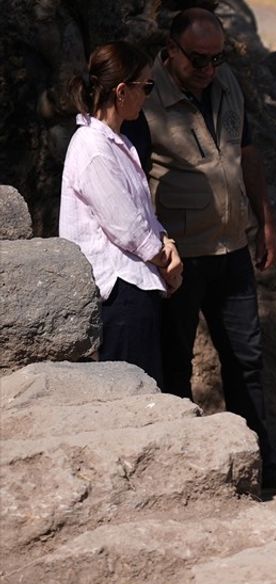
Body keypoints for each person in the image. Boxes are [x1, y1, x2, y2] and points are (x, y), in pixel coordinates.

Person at [124, 9, 276, 496]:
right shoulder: (146, 99)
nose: (209, 68)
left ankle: (262, 465)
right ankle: (187, 472)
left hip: (232, 244)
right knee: (174, 363)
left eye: (218, 57)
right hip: (179, 253)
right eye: (198, 59)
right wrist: (149, 250)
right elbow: (128, 176)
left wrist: (266, 220)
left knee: (246, 358)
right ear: (170, 51)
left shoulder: (227, 81)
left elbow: (246, 152)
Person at [60, 41, 183, 385]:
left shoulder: (118, 143)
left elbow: (143, 212)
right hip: (119, 292)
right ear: (121, 91)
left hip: (137, 286)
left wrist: (167, 245)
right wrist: (164, 258)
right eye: (146, 86)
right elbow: (126, 227)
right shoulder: (94, 148)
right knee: (134, 393)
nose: (148, 94)